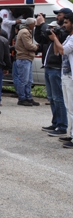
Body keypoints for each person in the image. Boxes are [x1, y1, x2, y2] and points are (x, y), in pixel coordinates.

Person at [35, 10, 71, 138]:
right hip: (49, 66)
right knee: (51, 97)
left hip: (57, 68)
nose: (57, 17)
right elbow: (39, 38)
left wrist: (43, 24)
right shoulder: (57, 30)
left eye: (60, 15)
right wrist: (38, 26)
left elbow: (58, 36)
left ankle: (62, 126)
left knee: (58, 98)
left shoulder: (65, 33)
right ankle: (56, 122)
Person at [49, 13, 73, 148]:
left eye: (67, 23)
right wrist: (55, 39)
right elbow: (57, 51)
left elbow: (63, 50)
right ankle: (71, 133)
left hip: (71, 76)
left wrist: (55, 39)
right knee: (69, 107)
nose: (64, 25)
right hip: (66, 74)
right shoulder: (69, 37)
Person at [14, 18, 40, 106]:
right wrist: (36, 47)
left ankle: (28, 97)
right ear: (30, 24)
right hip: (24, 58)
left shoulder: (24, 31)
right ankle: (22, 98)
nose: (35, 25)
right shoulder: (25, 32)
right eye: (34, 23)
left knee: (28, 80)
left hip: (27, 58)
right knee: (23, 80)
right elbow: (28, 46)